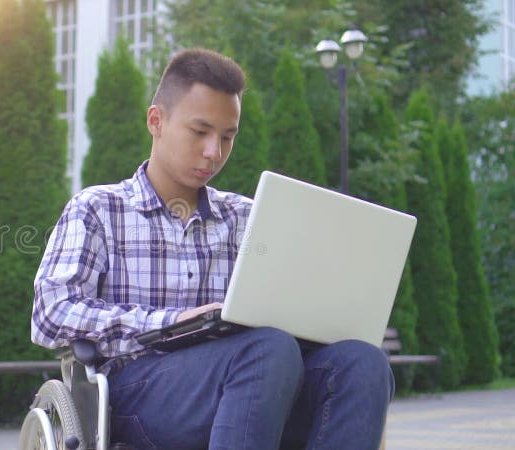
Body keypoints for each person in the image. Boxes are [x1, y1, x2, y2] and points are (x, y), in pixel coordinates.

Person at [32, 48, 393, 450]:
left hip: (258, 383)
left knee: (364, 363)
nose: (214, 152)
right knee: (266, 350)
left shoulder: (248, 218)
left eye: (227, 136)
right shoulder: (98, 209)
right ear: (157, 121)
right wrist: (174, 321)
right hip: (136, 392)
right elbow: (51, 314)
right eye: (200, 132)